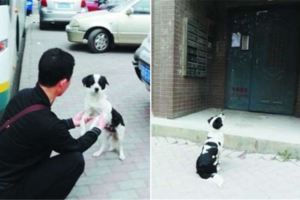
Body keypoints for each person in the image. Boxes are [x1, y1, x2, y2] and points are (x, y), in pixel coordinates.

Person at [0, 48, 105, 199]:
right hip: (10, 191)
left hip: (6, 171)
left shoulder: (23, 95)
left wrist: (71, 122)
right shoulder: (48, 123)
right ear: (62, 84)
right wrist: (96, 129)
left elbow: (40, 127)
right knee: (75, 160)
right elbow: (76, 146)